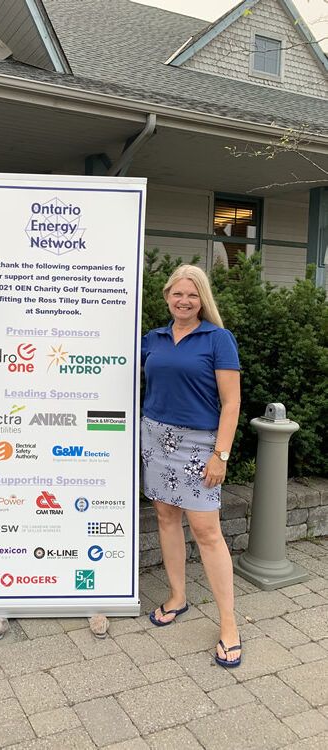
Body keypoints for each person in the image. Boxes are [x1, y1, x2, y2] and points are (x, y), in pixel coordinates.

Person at [141, 264, 242, 667]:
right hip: (155, 438)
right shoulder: (153, 338)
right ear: (167, 296)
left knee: (207, 532)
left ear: (202, 300)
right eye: (177, 294)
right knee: (166, 518)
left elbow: (231, 403)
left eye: (192, 295)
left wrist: (221, 455)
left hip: (200, 445)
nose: (184, 301)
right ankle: (178, 597)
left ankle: (229, 624)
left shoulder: (218, 339)